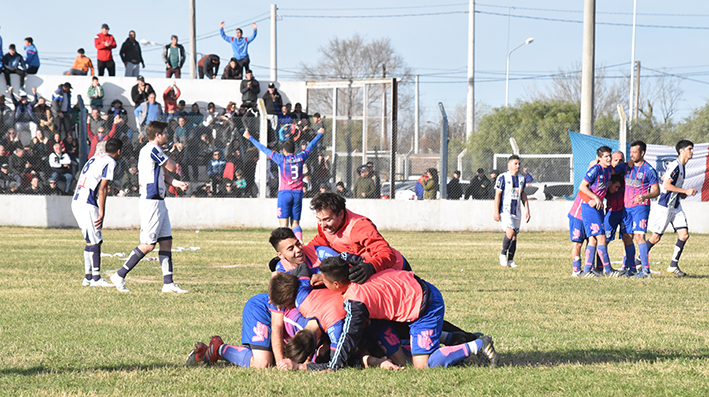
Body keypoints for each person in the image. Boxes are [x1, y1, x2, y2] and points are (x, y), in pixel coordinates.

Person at [276, 256, 498, 371]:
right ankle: (454, 338)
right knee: (402, 342)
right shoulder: (358, 268)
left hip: (423, 307)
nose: (319, 282)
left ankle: (477, 345)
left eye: (323, 280)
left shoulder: (355, 302)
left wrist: (323, 366)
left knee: (421, 364)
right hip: (416, 293)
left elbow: (344, 345)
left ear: (335, 284)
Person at [110, 121, 189, 293]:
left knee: (166, 241)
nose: (168, 135)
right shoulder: (152, 149)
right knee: (148, 245)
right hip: (151, 201)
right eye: (166, 133)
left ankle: (168, 283)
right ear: (158, 135)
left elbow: (166, 175)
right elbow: (173, 167)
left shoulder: (155, 151)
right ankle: (120, 275)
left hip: (159, 200)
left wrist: (178, 184)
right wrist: (173, 154)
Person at [308, 192, 410, 282]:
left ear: (341, 214)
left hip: (394, 269)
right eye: (319, 219)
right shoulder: (325, 225)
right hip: (363, 270)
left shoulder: (360, 227)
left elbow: (387, 255)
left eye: (327, 219)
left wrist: (371, 266)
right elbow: (321, 240)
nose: (323, 225)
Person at [244, 126, 323, 241]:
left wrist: (249, 137)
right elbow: (311, 146)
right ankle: (299, 243)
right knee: (295, 223)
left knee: (283, 225)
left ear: (284, 151)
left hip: (285, 193)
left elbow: (263, 149)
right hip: (297, 193)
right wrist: (319, 133)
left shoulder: (281, 159)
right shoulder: (301, 157)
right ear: (294, 150)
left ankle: (286, 248)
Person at [71, 138, 123, 287]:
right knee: (95, 241)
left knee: (90, 240)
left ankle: (88, 277)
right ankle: (96, 278)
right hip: (87, 203)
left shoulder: (95, 157)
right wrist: (102, 212)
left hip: (77, 201)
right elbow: (103, 188)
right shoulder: (111, 162)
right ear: (118, 151)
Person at [643, 140, 696, 277]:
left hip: (676, 206)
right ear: (681, 151)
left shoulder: (682, 167)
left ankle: (673, 265)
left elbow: (670, 184)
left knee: (684, 235)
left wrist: (683, 194)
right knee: (655, 238)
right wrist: (685, 190)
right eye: (689, 149)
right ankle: (638, 261)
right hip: (666, 206)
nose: (692, 151)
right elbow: (666, 186)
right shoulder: (675, 165)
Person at [613, 141, 660, 278]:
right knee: (627, 237)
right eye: (631, 152)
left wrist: (645, 196)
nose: (632, 155)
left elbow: (657, 191)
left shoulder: (649, 170)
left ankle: (646, 271)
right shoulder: (626, 167)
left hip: (641, 207)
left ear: (642, 153)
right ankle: (632, 269)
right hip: (626, 208)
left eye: (634, 152)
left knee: (640, 236)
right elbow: (611, 170)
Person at [575, 146, 623, 277]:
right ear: (599, 158)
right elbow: (582, 186)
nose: (609, 159)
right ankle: (608, 271)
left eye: (609, 156)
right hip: (589, 207)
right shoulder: (596, 169)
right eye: (606, 156)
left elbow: (619, 168)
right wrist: (595, 197)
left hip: (598, 208)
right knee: (601, 237)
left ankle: (587, 271)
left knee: (593, 240)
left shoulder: (608, 170)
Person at [494, 155, 531, 268]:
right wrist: (496, 211)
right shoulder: (502, 177)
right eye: (515, 164)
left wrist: (527, 210)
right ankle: (502, 254)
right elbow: (497, 195)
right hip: (505, 210)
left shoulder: (521, 179)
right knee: (509, 232)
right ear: (509, 164)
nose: (518, 166)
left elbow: (523, 194)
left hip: (517, 211)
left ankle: (510, 260)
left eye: (519, 164)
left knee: (514, 236)